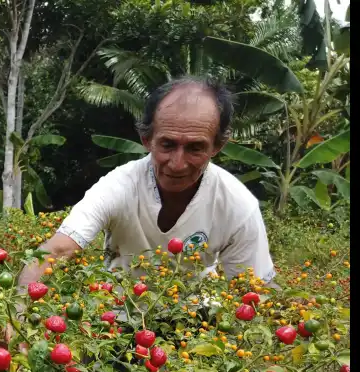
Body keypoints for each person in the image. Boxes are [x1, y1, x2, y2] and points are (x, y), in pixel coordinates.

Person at [17, 76, 277, 294]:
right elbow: (60, 248)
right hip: (117, 316)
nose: (177, 163)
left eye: (195, 148)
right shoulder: (118, 186)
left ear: (218, 146)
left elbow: (253, 292)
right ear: (146, 139)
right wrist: (20, 308)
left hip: (194, 325)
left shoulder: (238, 206)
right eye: (167, 145)